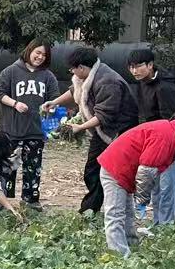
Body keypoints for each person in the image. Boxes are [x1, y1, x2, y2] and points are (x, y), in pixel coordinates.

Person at [48, 47, 136, 216]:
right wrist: (55, 102)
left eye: (72, 68)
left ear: (81, 67)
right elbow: (76, 92)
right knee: (93, 169)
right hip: (101, 130)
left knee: (99, 170)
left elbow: (105, 115)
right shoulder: (87, 76)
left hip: (117, 132)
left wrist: (80, 127)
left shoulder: (107, 81)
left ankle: (91, 210)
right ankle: (92, 209)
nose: (71, 72)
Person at [96, 109, 175, 256]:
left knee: (128, 215)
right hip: (116, 169)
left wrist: (140, 198)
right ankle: (118, 257)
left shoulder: (171, 132)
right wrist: (142, 200)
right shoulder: (166, 136)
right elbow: (146, 172)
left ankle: (132, 248)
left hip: (125, 171)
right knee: (115, 215)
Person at [0, 40, 59, 207]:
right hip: (12, 129)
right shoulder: (11, 71)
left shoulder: (48, 76)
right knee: (7, 166)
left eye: (44, 55)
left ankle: (31, 200)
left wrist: (52, 110)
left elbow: (54, 99)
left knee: (33, 167)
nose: (40, 57)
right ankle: (2, 200)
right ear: (29, 50)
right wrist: (15, 103)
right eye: (38, 52)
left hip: (35, 130)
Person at [128, 46, 175, 225]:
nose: (134, 71)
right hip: (154, 143)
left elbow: (173, 122)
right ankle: (159, 224)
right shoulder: (142, 83)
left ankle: (167, 227)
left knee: (167, 189)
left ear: (150, 65)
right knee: (156, 188)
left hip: (170, 145)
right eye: (131, 67)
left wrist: (170, 150)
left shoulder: (164, 88)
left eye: (138, 66)